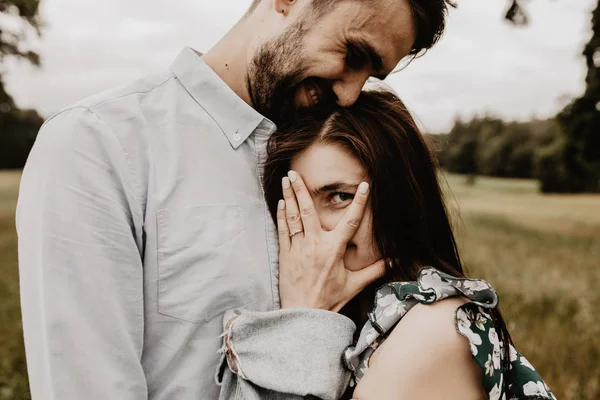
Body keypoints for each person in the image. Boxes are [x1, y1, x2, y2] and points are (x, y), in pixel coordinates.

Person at [16, 0, 455, 399]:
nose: (350, 94)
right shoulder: (99, 144)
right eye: (354, 55)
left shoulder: (330, 149)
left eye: (370, 76)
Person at [218, 89, 556, 399]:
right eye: (296, 204)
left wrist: (302, 322)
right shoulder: (361, 316)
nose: (315, 229)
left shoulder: (432, 328)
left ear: (402, 201)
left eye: (340, 196)